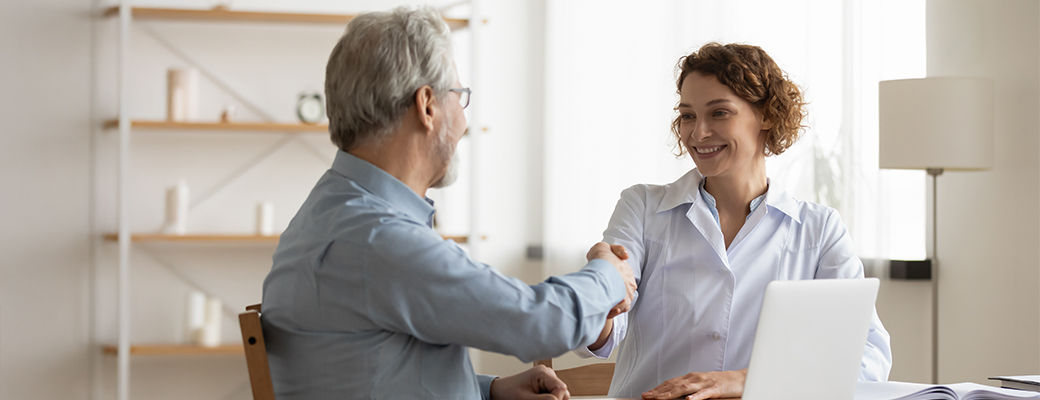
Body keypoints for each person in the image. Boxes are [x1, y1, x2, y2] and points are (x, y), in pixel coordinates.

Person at [261, 6, 637, 400]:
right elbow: (539, 322)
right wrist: (609, 274)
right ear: (427, 106)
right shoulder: (378, 238)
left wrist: (490, 390)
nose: (463, 121)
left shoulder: (327, 213)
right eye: (459, 96)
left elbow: (371, 369)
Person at [575, 42, 893, 400]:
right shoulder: (643, 207)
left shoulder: (820, 230)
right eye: (688, 115)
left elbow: (867, 355)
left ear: (767, 115)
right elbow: (601, 335)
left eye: (719, 113)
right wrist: (600, 297)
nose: (698, 133)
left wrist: (745, 380)